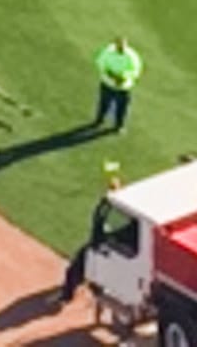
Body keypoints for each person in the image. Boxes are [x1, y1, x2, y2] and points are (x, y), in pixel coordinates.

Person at [57, 161, 123, 305]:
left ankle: (67, 295)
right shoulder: (123, 209)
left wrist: (106, 199)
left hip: (99, 246)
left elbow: (99, 219)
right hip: (111, 247)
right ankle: (92, 287)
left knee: (75, 269)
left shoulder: (109, 211)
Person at [93, 37, 143, 131]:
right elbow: (100, 63)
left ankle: (119, 125)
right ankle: (99, 120)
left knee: (122, 107)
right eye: (119, 46)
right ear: (115, 45)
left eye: (123, 46)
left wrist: (124, 77)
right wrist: (110, 74)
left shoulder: (131, 56)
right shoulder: (108, 52)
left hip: (123, 87)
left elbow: (136, 70)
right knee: (104, 103)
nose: (121, 48)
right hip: (108, 83)